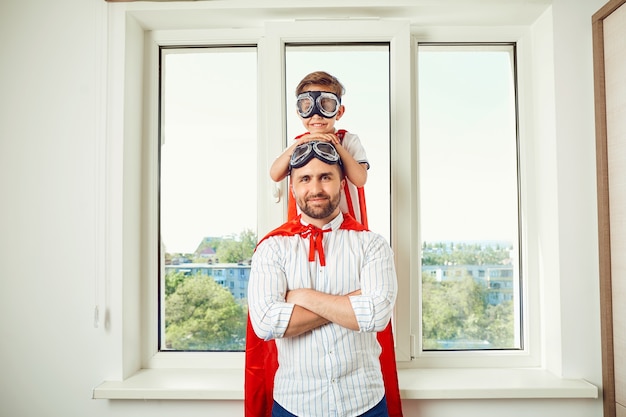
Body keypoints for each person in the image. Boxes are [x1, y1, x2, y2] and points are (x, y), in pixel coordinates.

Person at [248, 141, 400, 417]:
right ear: (292, 188)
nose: (315, 189)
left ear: (342, 184)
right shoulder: (272, 248)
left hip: (365, 403)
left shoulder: (372, 245)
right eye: (305, 179)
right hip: (294, 405)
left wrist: (302, 297)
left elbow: (377, 316)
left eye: (325, 177)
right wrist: (352, 302)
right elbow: (266, 323)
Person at [270, 71, 370, 225]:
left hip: (345, 227)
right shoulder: (297, 143)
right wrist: (299, 143)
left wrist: (337, 146)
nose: (316, 115)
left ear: (339, 112)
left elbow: (360, 179)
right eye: (308, 107)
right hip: (307, 227)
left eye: (326, 106)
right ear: (299, 112)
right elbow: (275, 174)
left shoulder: (348, 141)